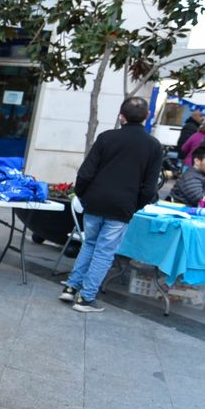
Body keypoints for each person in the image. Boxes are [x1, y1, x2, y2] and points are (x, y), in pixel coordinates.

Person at [60, 97, 163, 313]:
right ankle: (86, 299)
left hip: (95, 201)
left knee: (89, 244)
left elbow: (86, 172)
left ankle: (71, 287)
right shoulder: (153, 146)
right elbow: (149, 186)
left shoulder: (106, 137)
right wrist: (136, 206)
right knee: (104, 252)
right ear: (147, 116)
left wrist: (83, 195)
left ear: (121, 116)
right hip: (123, 206)